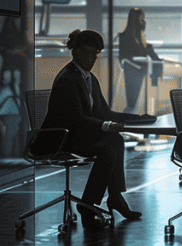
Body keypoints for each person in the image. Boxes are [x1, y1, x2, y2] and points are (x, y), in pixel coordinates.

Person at [37, 29, 146, 227]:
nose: (92, 58)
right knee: (107, 146)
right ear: (75, 51)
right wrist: (106, 125)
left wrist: (138, 118)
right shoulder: (67, 79)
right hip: (60, 138)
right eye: (88, 52)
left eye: (95, 53)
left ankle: (114, 196)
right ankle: (89, 203)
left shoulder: (89, 78)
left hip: (76, 135)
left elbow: (104, 112)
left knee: (116, 140)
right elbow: (76, 119)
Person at [117, 8, 162, 114]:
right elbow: (127, 56)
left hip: (141, 73)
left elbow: (147, 53)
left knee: (137, 105)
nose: (144, 22)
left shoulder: (140, 37)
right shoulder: (126, 37)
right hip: (133, 72)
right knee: (132, 104)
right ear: (135, 20)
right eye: (142, 19)